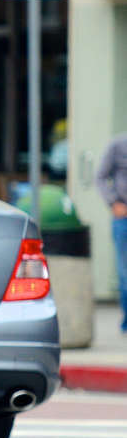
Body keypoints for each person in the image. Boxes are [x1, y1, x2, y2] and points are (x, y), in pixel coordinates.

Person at [95, 132, 127, 332]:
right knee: (124, 272)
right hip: (123, 218)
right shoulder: (118, 145)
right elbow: (100, 177)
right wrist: (113, 202)